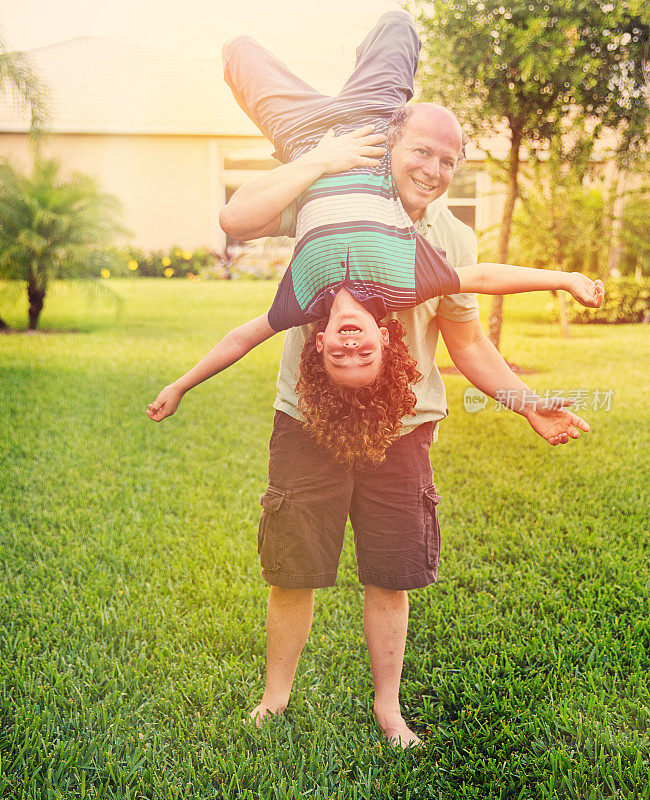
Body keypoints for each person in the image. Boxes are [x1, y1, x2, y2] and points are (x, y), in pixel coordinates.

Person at [219, 14, 599, 748]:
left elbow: (469, 342)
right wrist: (318, 158)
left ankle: (387, 707)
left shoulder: (453, 237)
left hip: (403, 429)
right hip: (308, 417)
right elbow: (238, 217)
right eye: (422, 151)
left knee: (390, 573)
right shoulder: (333, 187)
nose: (434, 169)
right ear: (391, 144)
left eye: (449, 161)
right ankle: (276, 698)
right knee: (293, 565)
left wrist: (526, 407)